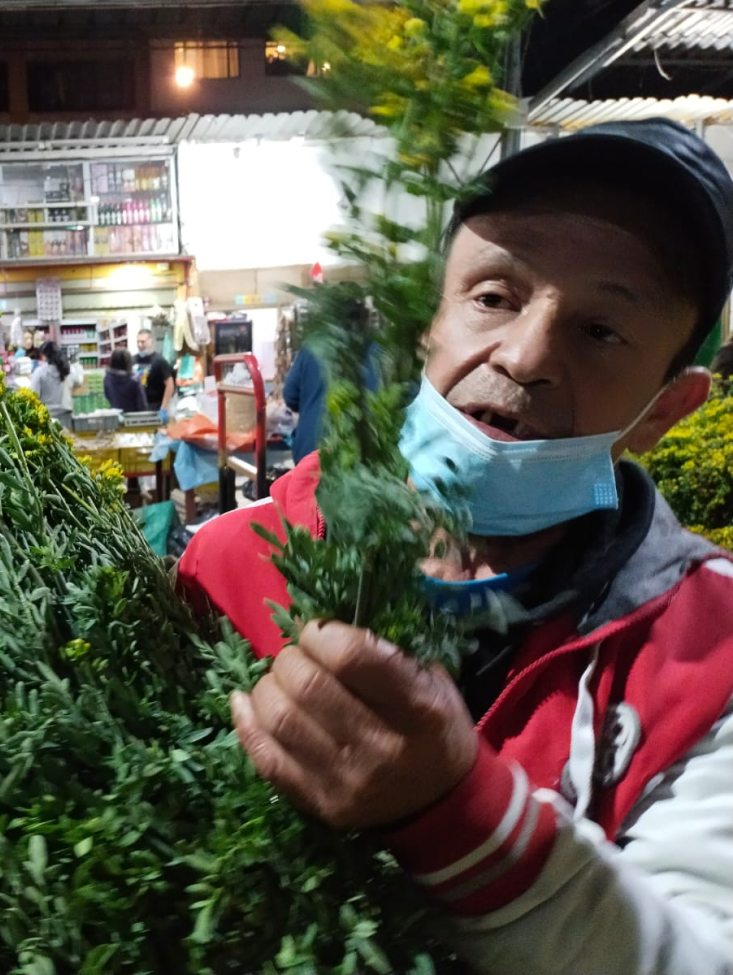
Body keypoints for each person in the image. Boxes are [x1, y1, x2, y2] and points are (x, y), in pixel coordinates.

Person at [178, 118, 733, 975]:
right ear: (424, 323)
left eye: (600, 331)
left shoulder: (712, 650)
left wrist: (457, 814)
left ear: (667, 407)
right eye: (493, 294)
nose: (523, 354)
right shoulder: (230, 566)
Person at [134, 328, 174, 421]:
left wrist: (163, 408)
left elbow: (170, 384)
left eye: (143, 342)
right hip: (137, 410)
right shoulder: (133, 360)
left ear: (151, 341)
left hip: (154, 409)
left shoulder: (159, 361)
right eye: (138, 342)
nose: (140, 345)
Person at [28, 340, 72, 423]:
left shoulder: (39, 372)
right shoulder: (65, 369)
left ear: (44, 355)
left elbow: (33, 394)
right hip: (65, 413)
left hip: (47, 414)